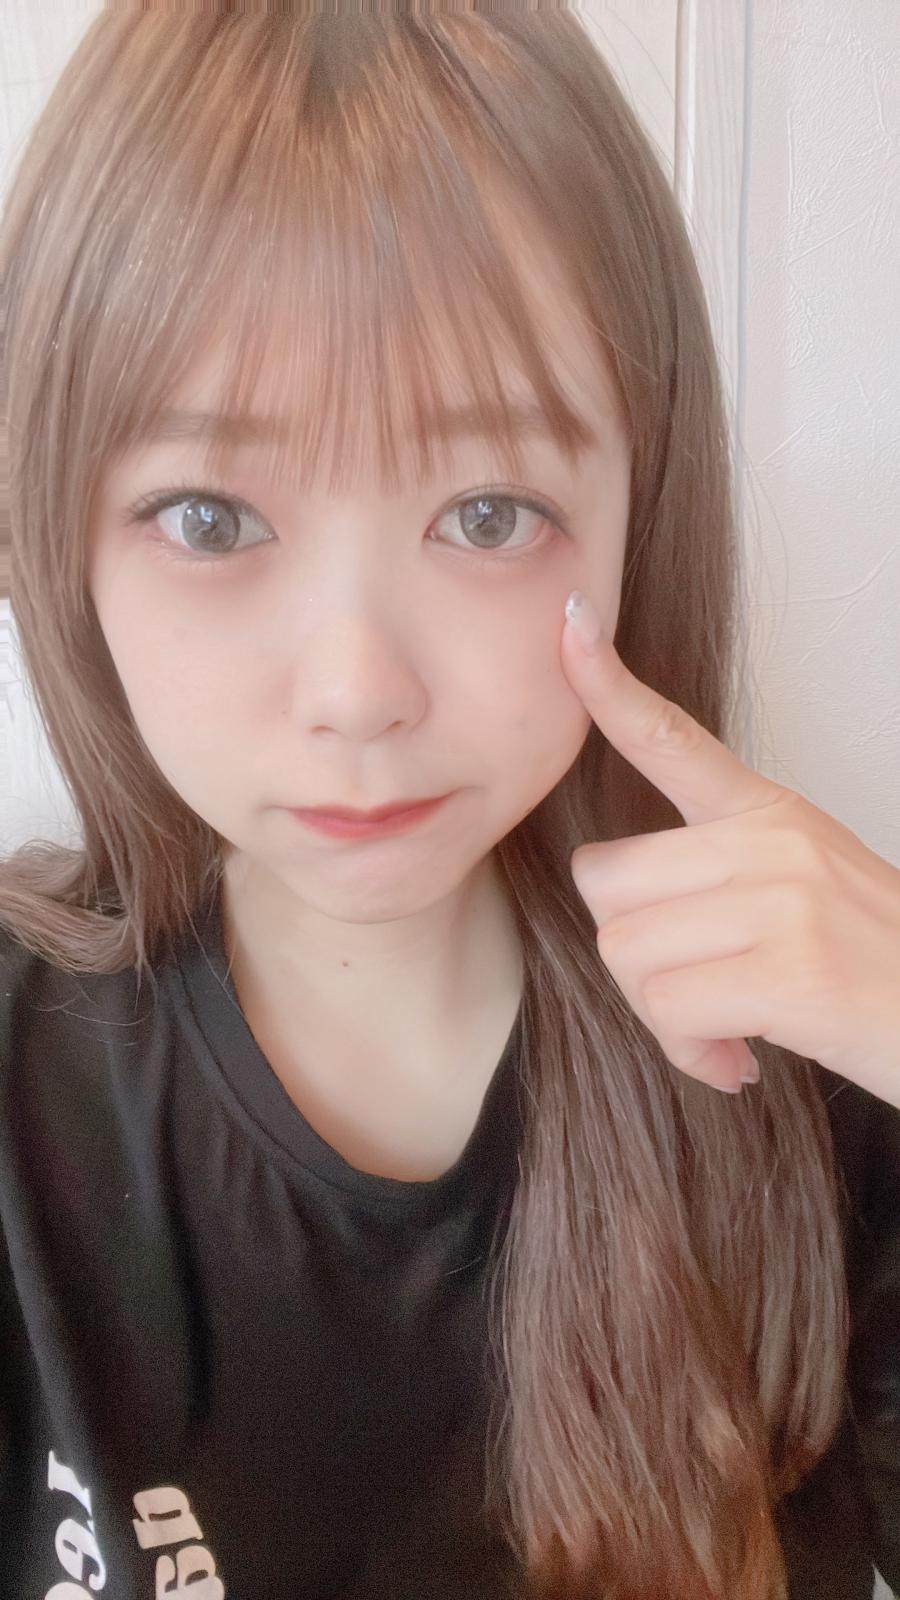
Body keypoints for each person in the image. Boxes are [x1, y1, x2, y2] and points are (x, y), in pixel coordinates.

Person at [0, 11, 898, 1600]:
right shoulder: (25, 1098)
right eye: (208, 518)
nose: (358, 689)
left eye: (488, 515)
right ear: (58, 542)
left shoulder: (819, 1064)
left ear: (640, 516)